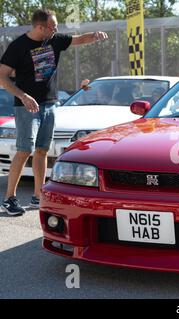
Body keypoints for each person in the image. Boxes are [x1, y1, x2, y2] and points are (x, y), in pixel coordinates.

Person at [0, 9, 108, 216]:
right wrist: (23, 96)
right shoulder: (18, 46)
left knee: (42, 150)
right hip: (26, 106)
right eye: (53, 26)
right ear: (40, 27)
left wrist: (94, 36)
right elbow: (2, 77)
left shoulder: (55, 40)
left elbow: (78, 39)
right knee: (24, 150)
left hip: (50, 104)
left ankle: (38, 195)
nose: (56, 29)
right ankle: (9, 198)